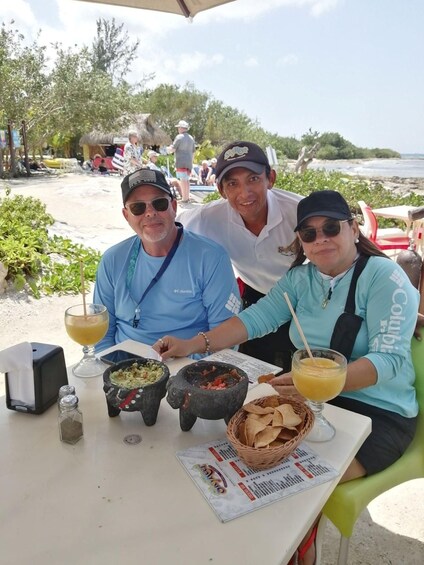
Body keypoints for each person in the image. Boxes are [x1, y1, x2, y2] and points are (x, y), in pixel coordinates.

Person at [155, 190, 419, 564]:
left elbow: (389, 360)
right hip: (314, 401)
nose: (321, 238)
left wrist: (320, 384)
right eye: (309, 234)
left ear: (354, 228)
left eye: (331, 227)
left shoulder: (384, 277)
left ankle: (299, 553)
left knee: (284, 489)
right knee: (240, 459)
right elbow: (255, 319)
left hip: (378, 415)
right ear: (301, 242)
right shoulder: (301, 279)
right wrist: (194, 344)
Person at [178, 140, 302, 371]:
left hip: (307, 302)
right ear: (221, 190)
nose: (244, 193)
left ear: (270, 178)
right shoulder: (207, 218)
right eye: (232, 183)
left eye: (253, 179)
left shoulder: (299, 211)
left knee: (308, 373)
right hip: (258, 299)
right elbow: (168, 231)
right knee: (260, 375)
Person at [93, 168, 241, 353]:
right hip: (124, 370)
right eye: (138, 207)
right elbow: (101, 336)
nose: (150, 213)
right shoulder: (112, 260)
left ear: (174, 207)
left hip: (190, 370)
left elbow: (227, 338)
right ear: (126, 215)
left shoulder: (211, 257)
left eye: (159, 203)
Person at [167, 120, 195, 203]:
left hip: (181, 161)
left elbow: (173, 149)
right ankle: (186, 197)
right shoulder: (191, 138)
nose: (178, 129)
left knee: (182, 180)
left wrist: (168, 150)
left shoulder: (179, 137)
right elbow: (193, 152)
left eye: (179, 127)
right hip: (189, 162)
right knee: (186, 180)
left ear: (182, 128)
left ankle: (184, 198)